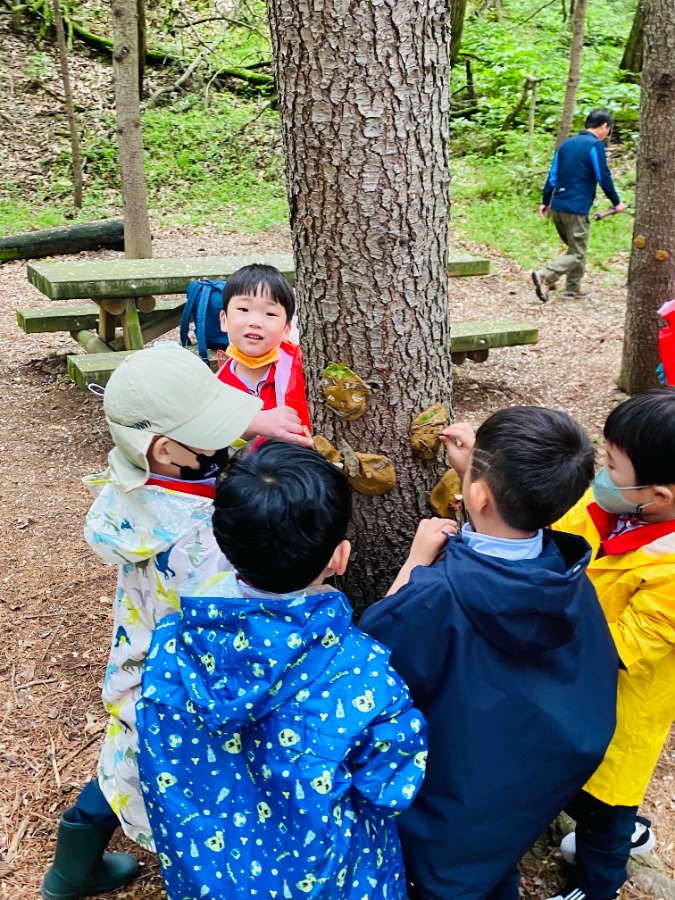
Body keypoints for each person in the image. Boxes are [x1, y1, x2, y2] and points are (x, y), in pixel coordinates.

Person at [40, 345, 312, 900]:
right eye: (214, 430)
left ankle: (70, 871)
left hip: (136, 664)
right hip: (179, 687)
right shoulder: (200, 541)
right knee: (162, 776)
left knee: (122, 760)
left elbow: (197, 455)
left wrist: (248, 422)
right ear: (168, 448)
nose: (225, 441)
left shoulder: (136, 491)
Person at [136, 441, 428, 900]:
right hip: (334, 880)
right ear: (340, 557)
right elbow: (392, 787)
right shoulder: (363, 672)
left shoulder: (170, 646)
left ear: (224, 545)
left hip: (214, 877)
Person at [360, 407, 620, 900]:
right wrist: (474, 474)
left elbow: (371, 664)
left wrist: (416, 562)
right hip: (512, 807)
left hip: (441, 824)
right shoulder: (567, 575)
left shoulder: (435, 597)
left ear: (478, 495)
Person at [546, 388, 675, 900]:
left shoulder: (668, 566)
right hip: (580, 687)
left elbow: (624, 649)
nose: (600, 474)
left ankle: (598, 885)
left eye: (612, 465)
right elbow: (560, 528)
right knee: (580, 781)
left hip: (625, 706)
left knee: (607, 806)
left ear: (658, 494)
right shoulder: (613, 508)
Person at [532, 108, 627, 302]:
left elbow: (552, 176)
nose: (607, 134)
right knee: (577, 252)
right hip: (576, 208)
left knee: (576, 249)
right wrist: (616, 202)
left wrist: (545, 201)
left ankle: (572, 289)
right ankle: (545, 275)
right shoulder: (595, 145)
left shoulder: (566, 144)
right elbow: (603, 177)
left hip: (557, 207)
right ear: (604, 126)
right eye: (608, 129)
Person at [216, 262, 312, 434]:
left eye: (270, 314)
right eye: (243, 309)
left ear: (286, 330)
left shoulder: (303, 368)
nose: (255, 322)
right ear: (224, 320)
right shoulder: (217, 387)